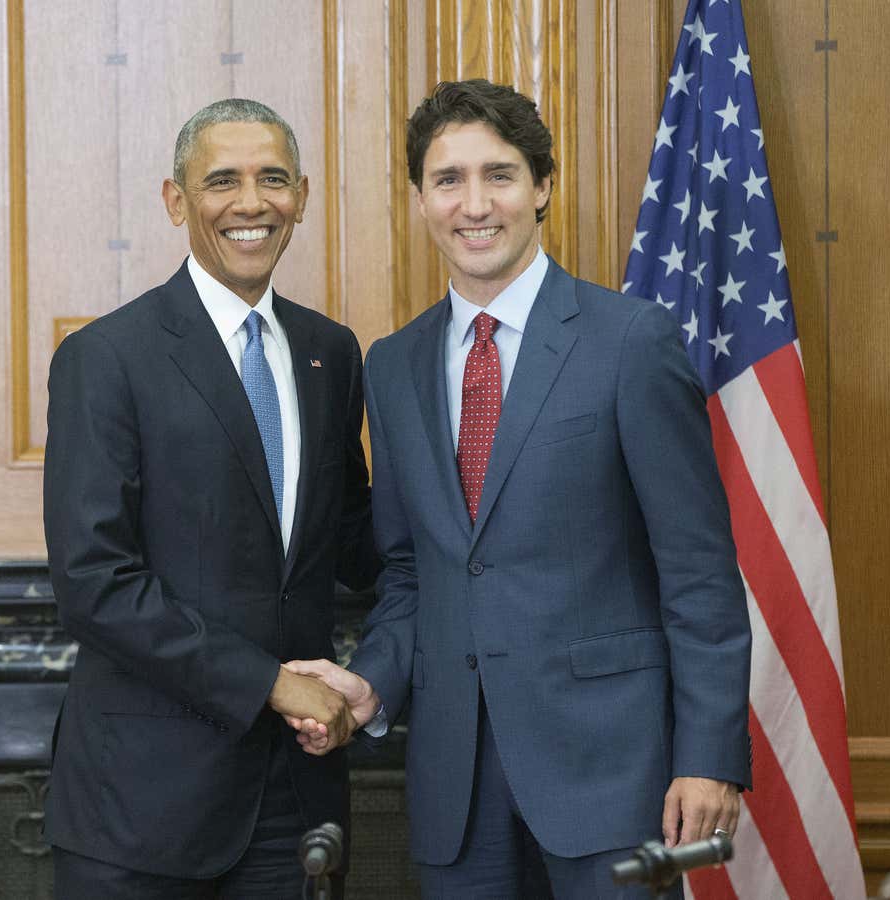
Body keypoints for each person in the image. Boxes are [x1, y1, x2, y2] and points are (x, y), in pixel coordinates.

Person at [286, 79, 752, 898]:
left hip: (614, 779)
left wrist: (709, 758)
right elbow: (409, 573)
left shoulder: (629, 343)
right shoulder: (392, 366)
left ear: (542, 187)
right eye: (448, 180)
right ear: (421, 198)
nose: (475, 204)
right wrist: (372, 681)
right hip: (453, 789)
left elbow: (698, 571)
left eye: (498, 175)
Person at [42, 97, 378, 899]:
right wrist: (272, 682)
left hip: (298, 803)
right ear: (175, 200)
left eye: (272, 179)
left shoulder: (330, 353)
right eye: (221, 180)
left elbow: (358, 547)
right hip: (142, 810)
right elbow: (94, 583)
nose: (251, 203)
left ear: (302, 194)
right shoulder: (106, 357)